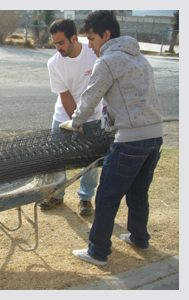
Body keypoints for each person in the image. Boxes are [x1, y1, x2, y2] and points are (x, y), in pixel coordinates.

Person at [60, 10, 163, 265]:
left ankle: (98, 252)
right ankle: (139, 237)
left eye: (92, 38)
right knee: (138, 193)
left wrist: (74, 123)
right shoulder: (139, 57)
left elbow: (91, 97)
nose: (90, 45)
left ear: (106, 35)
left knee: (106, 196)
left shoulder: (107, 61)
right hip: (155, 136)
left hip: (131, 139)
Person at [39, 18, 103, 216]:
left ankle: (85, 198)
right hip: (63, 115)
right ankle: (56, 194)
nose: (57, 47)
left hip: (93, 116)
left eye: (61, 43)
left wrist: (84, 122)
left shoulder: (94, 55)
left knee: (90, 160)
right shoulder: (54, 63)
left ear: (74, 38)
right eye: (55, 43)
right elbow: (65, 96)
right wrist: (76, 123)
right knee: (56, 157)